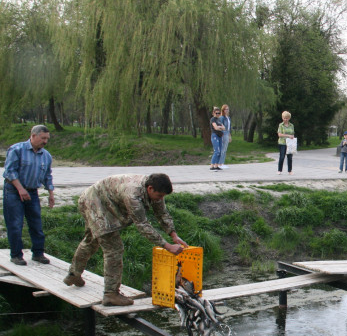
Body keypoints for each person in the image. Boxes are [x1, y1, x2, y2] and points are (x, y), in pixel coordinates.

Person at [63, 173, 188, 306]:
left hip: (102, 200)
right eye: (159, 196)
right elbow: (142, 225)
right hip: (95, 203)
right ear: (150, 189)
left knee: (91, 240)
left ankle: (73, 275)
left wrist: (173, 235)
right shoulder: (133, 195)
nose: (160, 199)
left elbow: (162, 213)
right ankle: (111, 294)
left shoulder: (154, 189)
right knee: (114, 249)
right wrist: (167, 246)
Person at [2, 125, 55, 266]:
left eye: (47, 139)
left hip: (32, 192)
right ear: (33, 136)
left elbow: (47, 176)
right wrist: (20, 189)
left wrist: (51, 193)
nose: (45, 141)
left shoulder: (46, 156)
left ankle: (38, 253)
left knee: (36, 224)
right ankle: (16, 255)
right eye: (43, 138)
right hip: (13, 191)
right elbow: (9, 172)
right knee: (15, 224)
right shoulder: (17, 150)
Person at [277, 110, 295, 175]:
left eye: (286, 118)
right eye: (284, 118)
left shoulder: (291, 125)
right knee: (282, 157)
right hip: (282, 143)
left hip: (290, 144)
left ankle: (290, 170)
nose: (285, 119)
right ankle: (279, 170)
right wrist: (288, 135)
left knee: (290, 157)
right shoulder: (281, 125)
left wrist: (292, 137)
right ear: (282, 118)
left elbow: (292, 133)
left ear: (289, 118)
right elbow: (279, 134)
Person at [219, 104, 231, 169]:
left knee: (225, 149)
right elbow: (221, 126)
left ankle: (222, 163)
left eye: (228, 109)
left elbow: (229, 128)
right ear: (223, 110)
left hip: (227, 133)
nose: (227, 110)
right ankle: (220, 163)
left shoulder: (228, 118)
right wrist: (222, 134)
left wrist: (229, 136)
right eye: (226, 109)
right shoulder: (222, 117)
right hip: (223, 134)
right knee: (223, 149)